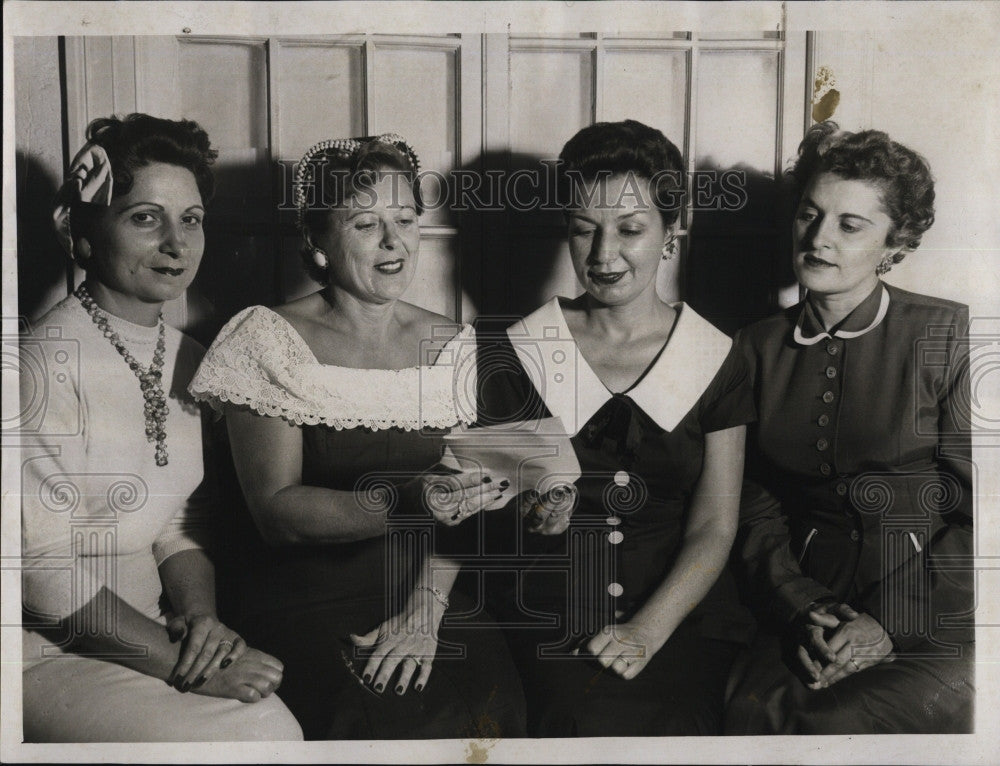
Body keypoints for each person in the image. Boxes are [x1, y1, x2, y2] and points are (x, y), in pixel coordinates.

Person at [189, 134, 526, 739]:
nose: (394, 242)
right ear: (316, 242)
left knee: (494, 716)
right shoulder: (266, 340)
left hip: (431, 591)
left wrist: (426, 609)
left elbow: (474, 500)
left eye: (405, 220)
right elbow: (277, 512)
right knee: (392, 723)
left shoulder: (456, 345)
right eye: (366, 224)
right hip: (307, 597)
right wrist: (409, 502)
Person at [20, 113, 302, 742]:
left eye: (192, 219)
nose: (177, 243)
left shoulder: (194, 358)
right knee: (258, 739)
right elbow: (40, 575)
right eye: (145, 217)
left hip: (154, 628)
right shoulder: (40, 366)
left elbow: (181, 524)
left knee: (275, 725)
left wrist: (202, 625)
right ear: (86, 232)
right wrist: (183, 664)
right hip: (45, 652)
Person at [473, 119, 756, 736]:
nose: (603, 256)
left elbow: (716, 523)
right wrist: (532, 513)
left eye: (630, 230)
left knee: (683, 727)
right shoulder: (525, 346)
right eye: (583, 230)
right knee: (570, 720)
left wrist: (648, 630)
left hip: (677, 611)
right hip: (551, 607)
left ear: (670, 231)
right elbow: (489, 499)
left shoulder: (716, 356)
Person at [724, 121, 975, 734]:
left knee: (847, 718)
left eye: (849, 225)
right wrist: (800, 606)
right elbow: (750, 500)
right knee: (753, 708)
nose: (819, 239)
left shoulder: (948, 335)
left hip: (938, 599)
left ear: (897, 241)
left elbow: (987, 512)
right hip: (809, 605)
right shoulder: (754, 347)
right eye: (809, 215)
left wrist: (891, 621)